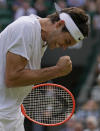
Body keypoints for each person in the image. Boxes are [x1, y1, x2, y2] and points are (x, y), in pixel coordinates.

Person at [0, 5, 89, 131]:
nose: (64, 47)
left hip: (12, 114)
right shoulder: (25, 27)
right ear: (59, 24)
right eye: (67, 41)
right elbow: (12, 78)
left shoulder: (42, 38)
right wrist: (57, 70)